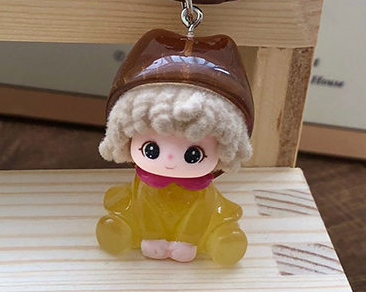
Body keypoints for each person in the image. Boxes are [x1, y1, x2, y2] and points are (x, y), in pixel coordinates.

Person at [97, 29, 253, 264]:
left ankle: (220, 240)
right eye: (151, 150)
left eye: (193, 154)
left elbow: (199, 216)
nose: (170, 160)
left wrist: (187, 241)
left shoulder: (202, 192)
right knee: (125, 215)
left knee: (216, 223)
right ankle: (122, 231)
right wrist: (153, 237)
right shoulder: (145, 184)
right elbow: (145, 211)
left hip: (193, 233)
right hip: (147, 226)